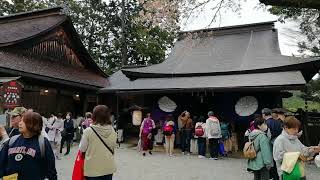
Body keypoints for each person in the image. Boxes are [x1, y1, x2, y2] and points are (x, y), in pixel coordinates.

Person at [0, 111, 57, 180]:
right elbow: (1, 163)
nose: (20, 123)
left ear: (32, 124)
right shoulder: (13, 140)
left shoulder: (42, 142)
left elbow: (51, 169)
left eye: (23, 122)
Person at [79, 105, 117, 180]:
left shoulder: (88, 131)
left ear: (94, 116)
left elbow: (82, 149)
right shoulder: (112, 130)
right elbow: (113, 147)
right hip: (108, 167)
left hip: (93, 169)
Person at [262, 108, 283, 180]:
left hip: (270, 144)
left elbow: (265, 136)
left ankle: (271, 176)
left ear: (264, 114)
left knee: (270, 161)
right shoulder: (278, 122)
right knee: (277, 160)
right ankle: (277, 176)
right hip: (279, 143)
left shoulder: (265, 124)